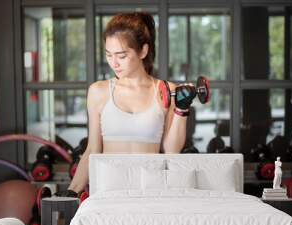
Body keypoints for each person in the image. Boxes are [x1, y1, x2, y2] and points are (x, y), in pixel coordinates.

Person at [66, 12, 197, 197]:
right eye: (109, 55)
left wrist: (182, 109)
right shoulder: (98, 91)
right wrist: (71, 192)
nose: (114, 63)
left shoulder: (166, 90)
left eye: (121, 55)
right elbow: (92, 150)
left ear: (143, 51)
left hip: (152, 192)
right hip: (108, 192)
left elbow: (171, 150)